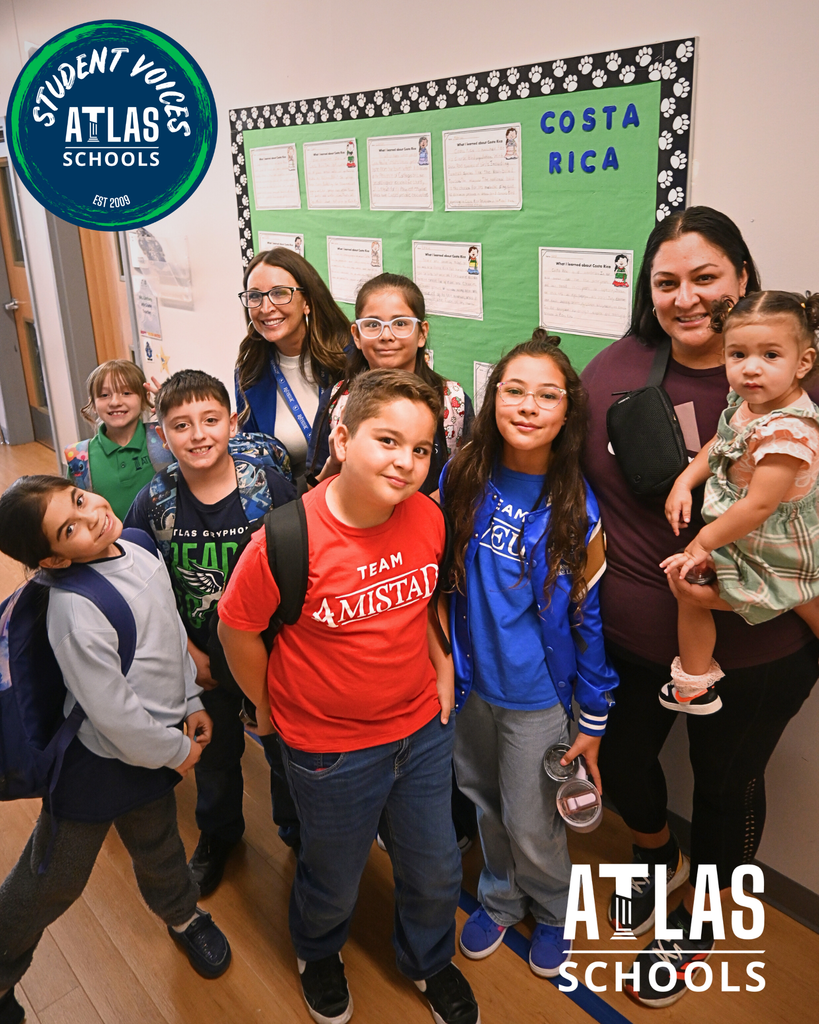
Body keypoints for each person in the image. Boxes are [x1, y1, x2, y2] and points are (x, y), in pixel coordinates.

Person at [581, 206, 819, 1009]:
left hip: (760, 645)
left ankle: (703, 919)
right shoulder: (612, 369)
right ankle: (655, 858)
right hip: (631, 634)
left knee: (725, 786)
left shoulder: (799, 384)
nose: (685, 298)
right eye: (665, 282)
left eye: (705, 277)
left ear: (742, 278)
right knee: (621, 761)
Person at [217, 370, 480, 1024]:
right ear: (341, 436)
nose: (405, 461)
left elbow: (426, 601)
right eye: (387, 439)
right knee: (332, 877)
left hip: (421, 732)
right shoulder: (285, 539)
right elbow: (237, 629)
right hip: (329, 750)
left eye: (420, 449)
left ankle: (427, 960)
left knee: (436, 869)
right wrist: (268, 708)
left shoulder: (427, 516)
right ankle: (318, 951)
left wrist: (442, 666)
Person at [0, 476, 232, 1024]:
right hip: (98, 764)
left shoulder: (137, 543)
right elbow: (113, 716)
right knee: (55, 877)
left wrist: (191, 697)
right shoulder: (75, 614)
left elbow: (169, 630)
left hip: (155, 748)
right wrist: (173, 752)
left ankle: (182, 915)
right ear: (54, 560)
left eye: (79, 501)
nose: (91, 517)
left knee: (158, 843)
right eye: (70, 528)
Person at [439, 331, 617, 979]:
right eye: (513, 390)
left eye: (546, 395)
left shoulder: (576, 508)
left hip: (538, 699)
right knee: (483, 799)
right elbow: (439, 583)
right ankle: (500, 894)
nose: (527, 405)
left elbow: (588, 621)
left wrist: (593, 716)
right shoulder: (461, 475)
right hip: (469, 688)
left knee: (531, 815)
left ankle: (551, 909)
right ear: (492, 401)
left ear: (566, 412)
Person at [125, 370, 297, 897]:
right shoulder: (154, 502)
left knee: (285, 750)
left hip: (271, 656)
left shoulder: (267, 487)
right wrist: (187, 653)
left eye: (210, 420)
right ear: (162, 432)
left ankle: (298, 831)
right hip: (201, 657)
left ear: (232, 421)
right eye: (181, 425)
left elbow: (299, 567)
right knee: (215, 754)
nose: (198, 434)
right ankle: (220, 834)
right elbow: (144, 589)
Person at [660, 291, 819, 714]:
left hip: (773, 544)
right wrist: (684, 480)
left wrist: (703, 543)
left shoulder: (789, 433)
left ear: (803, 362)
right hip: (744, 531)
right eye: (737, 354)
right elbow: (722, 441)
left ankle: (693, 686)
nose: (750, 368)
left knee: (689, 586)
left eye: (770, 355)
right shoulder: (753, 403)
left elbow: (760, 507)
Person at [307, 273, 474, 497]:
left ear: (422, 333)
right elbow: (314, 488)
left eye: (401, 323)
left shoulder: (453, 402)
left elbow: (467, 480)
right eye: (373, 324)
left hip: (429, 525)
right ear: (356, 335)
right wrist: (335, 462)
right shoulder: (337, 400)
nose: (386, 335)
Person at [235, 248, 349, 483]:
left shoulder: (349, 357)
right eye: (255, 296)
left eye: (279, 293)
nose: (266, 308)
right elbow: (258, 465)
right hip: (294, 503)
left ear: (307, 301)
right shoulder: (249, 373)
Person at [64, 359, 172, 520]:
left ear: (144, 397)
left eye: (126, 393)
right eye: (104, 395)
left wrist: (172, 410)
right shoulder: (79, 459)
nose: (115, 402)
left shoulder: (165, 438)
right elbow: (73, 512)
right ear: (92, 404)